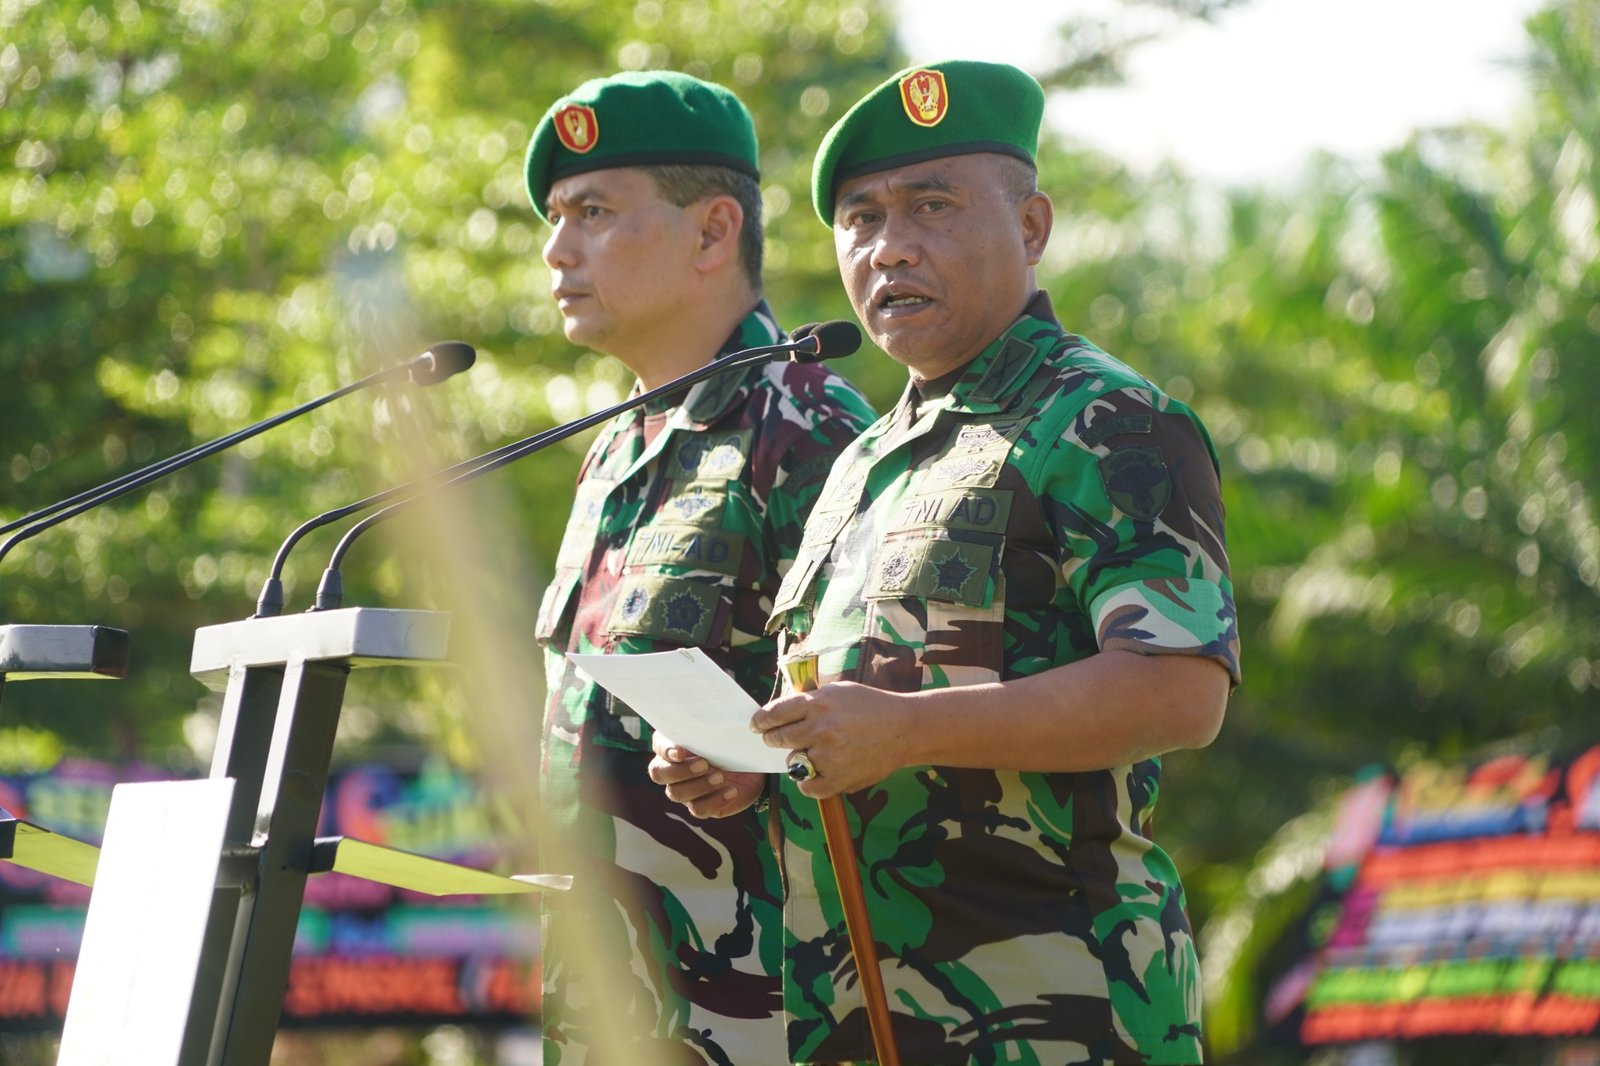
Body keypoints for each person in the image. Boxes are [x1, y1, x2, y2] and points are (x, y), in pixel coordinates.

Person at [651, 60, 1240, 1064]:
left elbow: (1179, 692)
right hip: (857, 1017)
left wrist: (904, 731)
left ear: (1032, 227)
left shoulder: (1104, 418)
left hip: (1058, 1013)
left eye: (931, 207)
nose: (890, 247)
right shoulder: (864, 461)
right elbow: (857, 709)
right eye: (861, 218)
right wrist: (753, 758)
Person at [524, 71, 877, 1064]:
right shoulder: (612, 452)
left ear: (714, 232)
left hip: (757, 1005)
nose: (557, 250)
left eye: (593, 212)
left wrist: (755, 764)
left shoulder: (807, 429)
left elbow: (881, 717)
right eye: (555, 218)